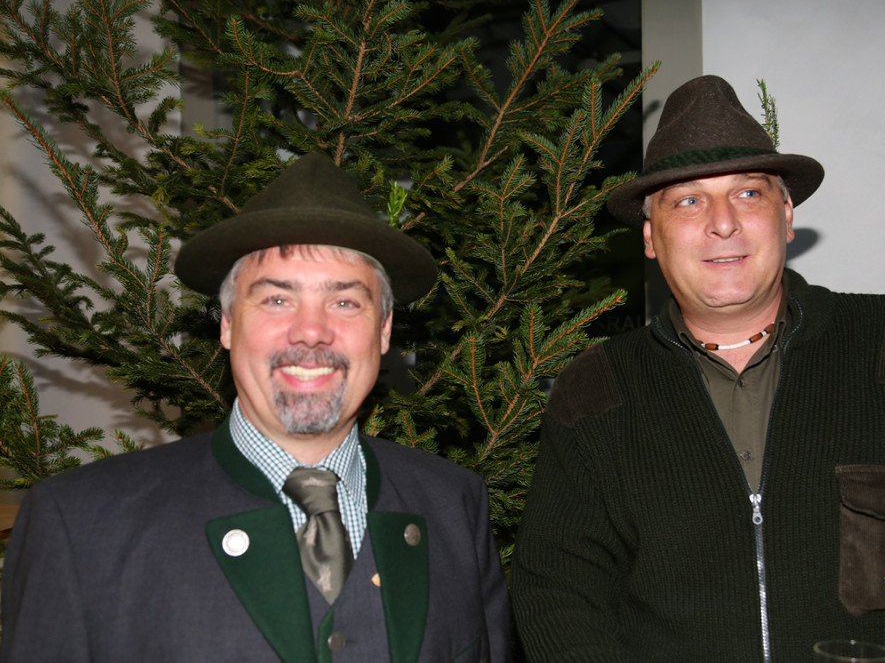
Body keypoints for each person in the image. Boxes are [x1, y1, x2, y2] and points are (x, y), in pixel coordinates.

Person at [510, 75, 885, 662]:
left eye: (749, 193)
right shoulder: (596, 391)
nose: (723, 222)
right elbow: (557, 592)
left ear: (786, 216)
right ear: (651, 237)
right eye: (688, 201)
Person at [1, 153, 511, 662]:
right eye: (276, 300)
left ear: (383, 330)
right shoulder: (80, 525)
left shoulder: (454, 506)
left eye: (344, 302)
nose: (311, 331)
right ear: (227, 324)